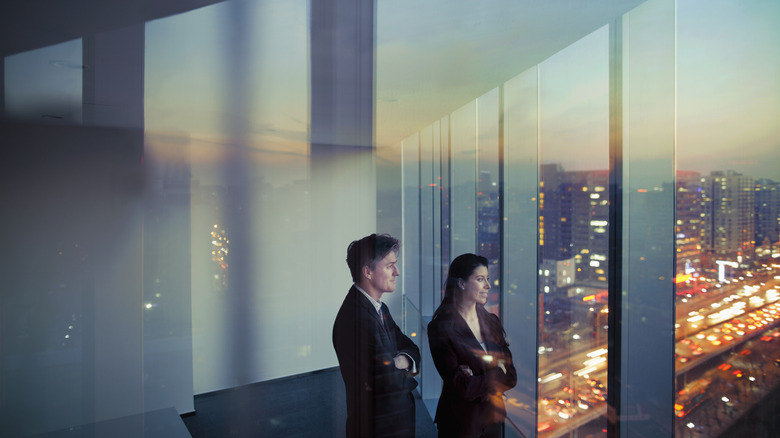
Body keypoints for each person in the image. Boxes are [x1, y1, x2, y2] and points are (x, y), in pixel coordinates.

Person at [333, 233, 421, 438]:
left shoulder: (379, 308)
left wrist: (402, 360)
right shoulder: (355, 320)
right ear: (368, 272)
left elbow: (411, 346)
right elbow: (389, 383)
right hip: (377, 429)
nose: (396, 272)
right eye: (390, 265)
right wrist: (398, 366)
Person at [427, 253, 517, 438]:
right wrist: (497, 371)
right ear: (461, 283)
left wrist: (478, 378)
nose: (488, 286)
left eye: (488, 279)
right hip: (461, 425)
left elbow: (512, 377)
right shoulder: (440, 328)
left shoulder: (491, 321)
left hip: (494, 419)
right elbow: (464, 389)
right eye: (480, 279)